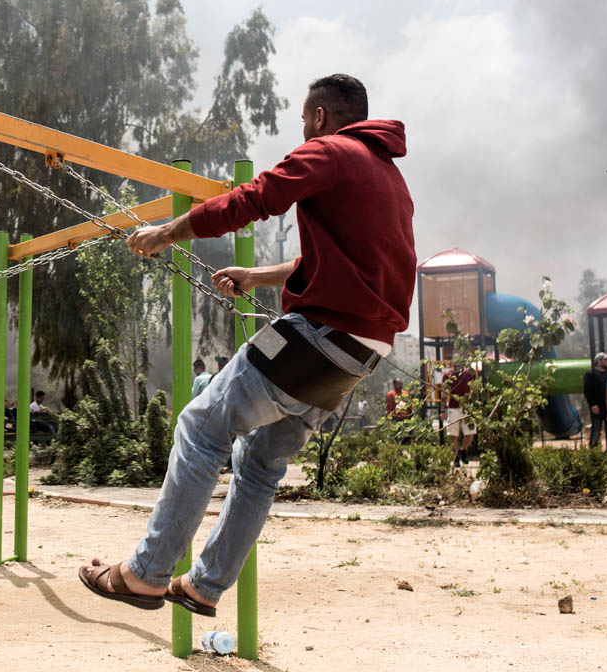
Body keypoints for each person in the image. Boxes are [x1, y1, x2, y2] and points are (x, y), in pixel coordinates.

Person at [78, 73, 414, 615]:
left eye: (304, 120)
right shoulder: (388, 178)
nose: (302, 130)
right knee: (259, 460)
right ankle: (205, 585)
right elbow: (338, 264)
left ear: (321, 116)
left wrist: (165, 232)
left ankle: (147, 572)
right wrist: (260, 276)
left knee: (202, 425)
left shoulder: (329, 151)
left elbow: (254, 199)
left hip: (319, 336)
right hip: (359, 352)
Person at [441, 364, 477, 467]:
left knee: (470, 432)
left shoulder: (468, 374)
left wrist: (473, 404)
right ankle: (456, 456)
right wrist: (442, 410)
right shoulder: (448, 375)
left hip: (467, 406)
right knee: (453, 435)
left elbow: (473, 389)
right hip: (453, 407)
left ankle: (463, 450)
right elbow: (444, 393)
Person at [582, 352, 607, 452]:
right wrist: (592, 404)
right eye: (606, 360)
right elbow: (587, 391)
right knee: (596, 431)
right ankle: (593, 453)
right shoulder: (590, 374)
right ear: (599, 361)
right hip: (597, 407)